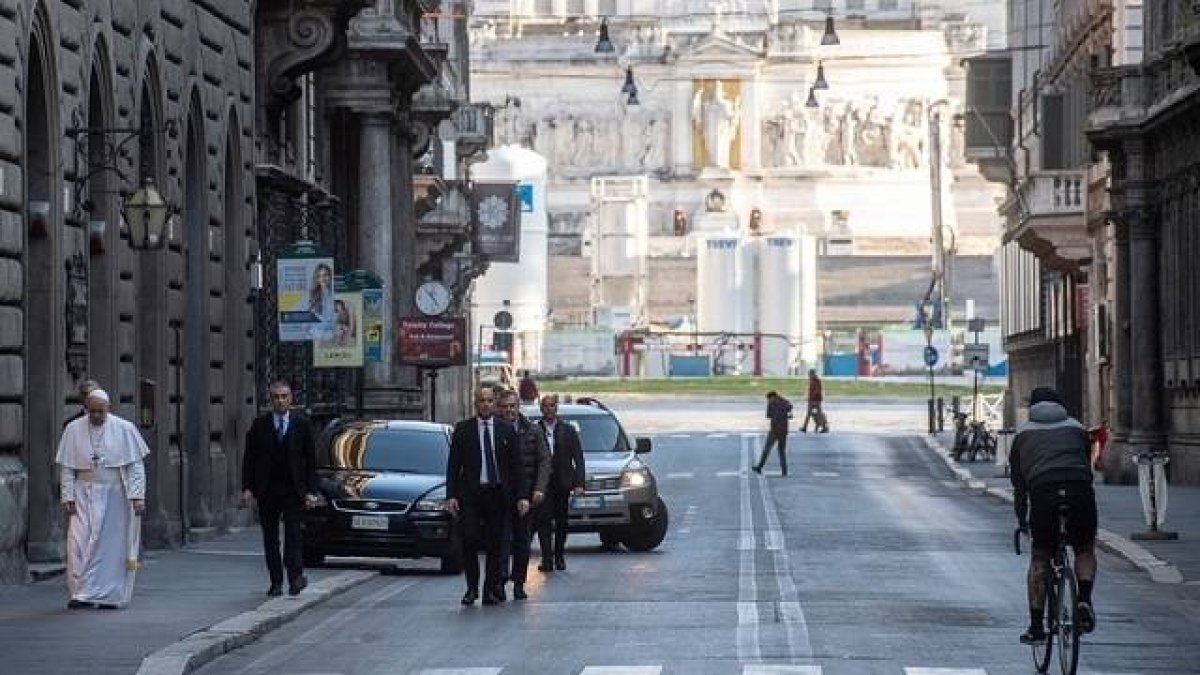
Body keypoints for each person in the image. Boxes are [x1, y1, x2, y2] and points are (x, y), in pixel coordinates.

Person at [1011, 386, 1098, 644]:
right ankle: (1083, 599)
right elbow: (1086, 466)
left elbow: (1019, 484)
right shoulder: (1078, 428)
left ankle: (1037, 627)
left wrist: (1022, 519)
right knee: (1084, 548)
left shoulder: (1022, 435)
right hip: (1078, 491)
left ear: (1032, 409)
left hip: (1044, 494)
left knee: (1040, 558)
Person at [56, 388, 150, 609]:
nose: (97, 416)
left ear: (108, 409)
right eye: (93, 411)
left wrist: (137, 496)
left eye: (101, 412)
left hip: (114, 495)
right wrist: (67, 495)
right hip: (83, 492)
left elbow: (135, 467)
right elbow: (68, 467)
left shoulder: (124, 429)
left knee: (110, 547)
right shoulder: (73, 429)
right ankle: (79, 593)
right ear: (86, 409)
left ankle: (108, 595)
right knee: (77, 542)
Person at [445, 385, 526, 606]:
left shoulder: (506, 430)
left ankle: (489, 588)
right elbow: (453, 465)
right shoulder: (463, 430)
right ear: (476, 404)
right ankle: (472, 588)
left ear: (494, 404)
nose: (486, 404)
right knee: (469, 539)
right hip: (471, 494)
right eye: (482, 401)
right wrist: (451, 495)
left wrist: (521, 496)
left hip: (497, 494)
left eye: (490, 401)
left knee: (496, 544)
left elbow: (517, 466)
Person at [241, 381, 320, 597]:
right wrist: (247, 488)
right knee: (271, 538)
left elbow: (311, 461)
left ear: (291, 399)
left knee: (294, 536)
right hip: (267, 490)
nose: (280, 400)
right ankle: (276, 582)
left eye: (284, 396)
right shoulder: (260, 425)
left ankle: (295, 578)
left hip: (294, 490)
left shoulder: (302, 424)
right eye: (276, 397)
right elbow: (250, 459)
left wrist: (312, 491)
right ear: (270, 400)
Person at [496, 389, 550, 600]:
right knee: (500, 541)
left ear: (518, 407)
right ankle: (499, 581)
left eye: (512, 406)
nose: (508, 411)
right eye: (504, 407)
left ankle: (519, 582)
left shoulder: (532, 430)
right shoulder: (494, 429)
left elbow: (545, 460)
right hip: (499, 495)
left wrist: (539, 488)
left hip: (525, 495)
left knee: (521, 541)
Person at [536, 394, 585, 571]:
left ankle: (559, 556)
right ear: (541, 409)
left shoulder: (568, 430)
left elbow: (578, 458)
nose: (549, 409)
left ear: (556, 408)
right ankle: (547, 558)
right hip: (543, 484)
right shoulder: (536, 430)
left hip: (562, 482)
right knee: (543, 521)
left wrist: (579, 483)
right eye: (545, 406)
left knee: (562, 521)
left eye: (552, 406)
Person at [753, 391, 793, 476]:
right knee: (781, 451)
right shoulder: (785, 401)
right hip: (784, 429)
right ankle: (784, 471)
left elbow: (768, 415)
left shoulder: (771, 403)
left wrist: (775, 414)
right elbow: (790, 411)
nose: (768, 401)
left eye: (768, 399)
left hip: (774, 429)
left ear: (772, 397)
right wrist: (785, 415)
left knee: (767, 449)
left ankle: (759, 467)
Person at [801, 369, 829, 433]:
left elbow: (817, 390)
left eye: (810, 374)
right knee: (813, 413)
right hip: (813, 399)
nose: (809, 375)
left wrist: (812, 397)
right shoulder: (813, 380)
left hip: (815, 400)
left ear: (813, 374)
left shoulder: (816, 380)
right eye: (809, 374)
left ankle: (824, 427)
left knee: (817, 414)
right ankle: (805, 427)